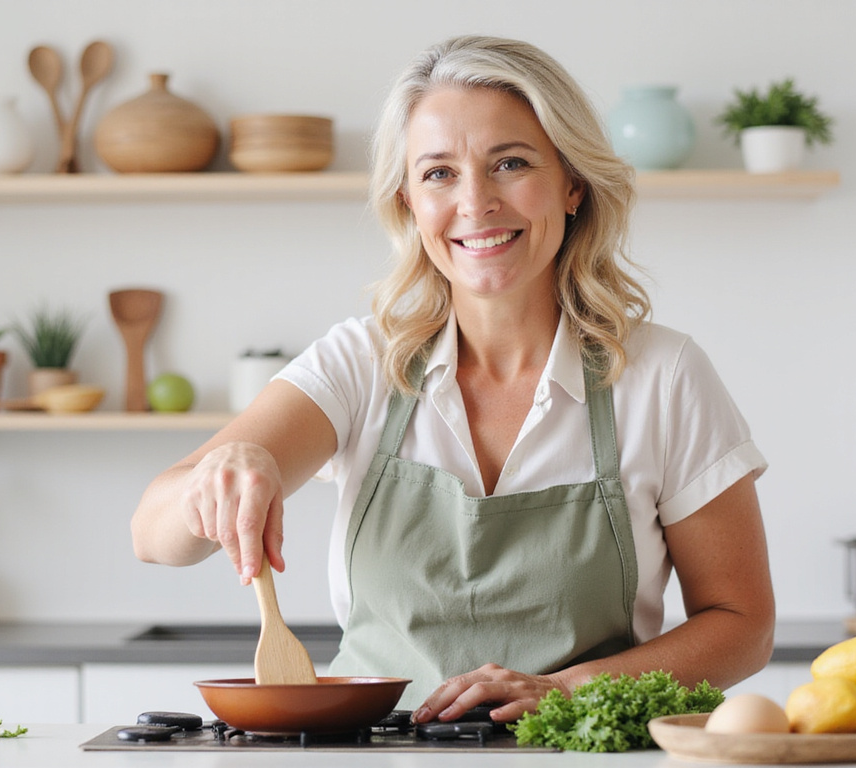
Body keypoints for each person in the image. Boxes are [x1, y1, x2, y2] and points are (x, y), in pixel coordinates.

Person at [131, 34, 774, 724]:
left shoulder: (662, 376)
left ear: (572, 184)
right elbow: (153, 534)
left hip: (578, 752)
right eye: (439, 173)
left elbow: (741, 624)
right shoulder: (359, 365)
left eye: (510, 163)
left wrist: (565, 690)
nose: (476, 202)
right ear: (407, 199)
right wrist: (227, 470)